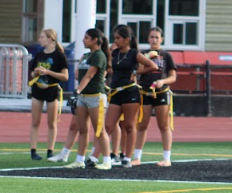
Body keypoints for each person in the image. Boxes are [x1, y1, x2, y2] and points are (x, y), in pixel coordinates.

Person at [105, 25, 159, 168]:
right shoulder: (115, 53)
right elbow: (112, 69)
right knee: (108, 125)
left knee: (129, 125)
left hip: (130, 92)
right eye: (114, 38)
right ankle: (105, 156)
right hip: (116, 92)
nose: (115, 41)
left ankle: (127, 157)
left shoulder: (134, 53)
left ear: (127, 40)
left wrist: (137, 73)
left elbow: (153, 66)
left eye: (118, 38)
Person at [63, 28, 112, 170]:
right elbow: (78, 75)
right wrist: (81, 61)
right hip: (84, 97)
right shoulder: (86, 56)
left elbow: (89, 76)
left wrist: (77, 90)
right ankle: (79, 160)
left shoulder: (99, 55)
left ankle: (107, 161)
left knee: (99, 130)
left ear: (95, 40)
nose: (83, 40)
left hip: (96, 97)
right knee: (82, 129)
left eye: (86, 38)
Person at [131, 26, 177, 167]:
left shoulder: (166, 55)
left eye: (157, 37)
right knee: (142, 125)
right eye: (152, 37)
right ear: (148, 39)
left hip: (161, 92)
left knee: (163, 125)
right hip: (145, 92)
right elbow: (136, 70)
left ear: (161, 39)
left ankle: (166, 158)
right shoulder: (142, 53)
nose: (154, 39)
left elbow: (173, 77)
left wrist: (162, 81)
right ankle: (137, 157)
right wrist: (146, 57)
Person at [29, 28, 69, 160]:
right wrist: (35, 73)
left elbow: (65, 76)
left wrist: (47, 72)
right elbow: (31, 73)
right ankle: (33, 151)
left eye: (42, 37)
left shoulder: (59, 56)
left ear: (50, 39)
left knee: (52, 123)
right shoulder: (39, 54)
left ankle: (50, 151)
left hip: (52, 90)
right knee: (35, 121)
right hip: (38, 89)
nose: (40, 40)